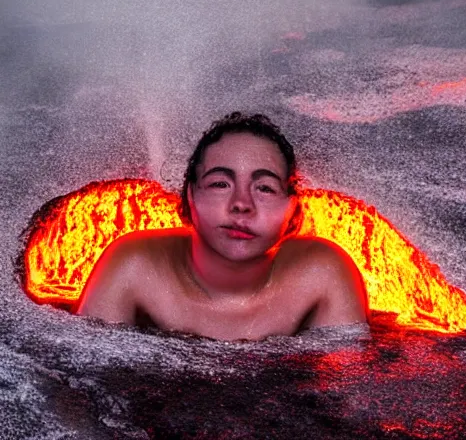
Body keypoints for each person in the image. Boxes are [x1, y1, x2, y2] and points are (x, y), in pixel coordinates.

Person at [75, 112, 368, 340]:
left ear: (291, 209)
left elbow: (346, 400)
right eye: (220, 183)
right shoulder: (133, 265)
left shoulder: (322, 273)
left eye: (264, 188)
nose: (241, 204)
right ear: (190, 195)